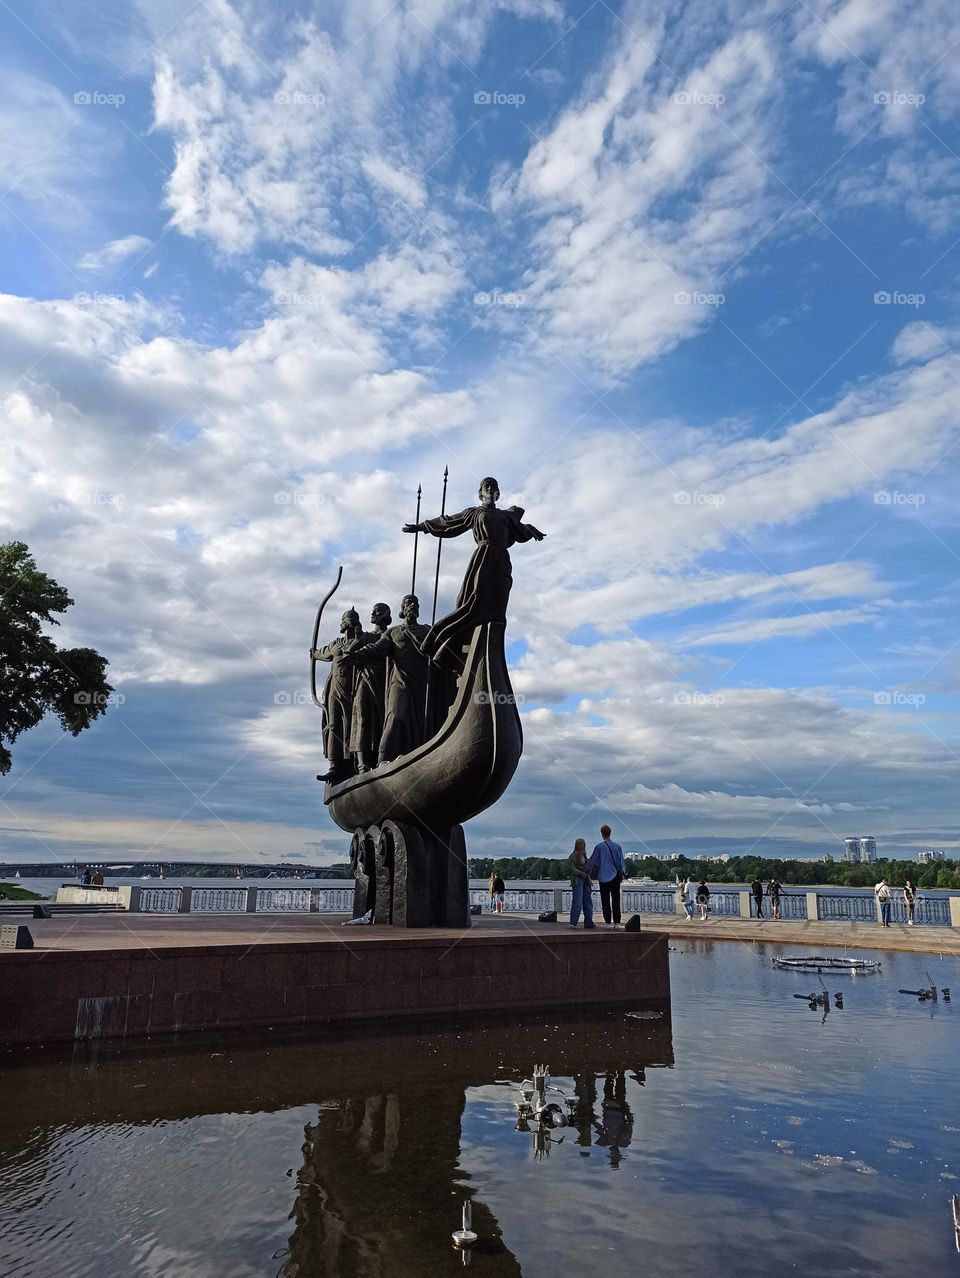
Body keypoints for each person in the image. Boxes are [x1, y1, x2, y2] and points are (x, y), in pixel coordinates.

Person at [403, 477, 545, 670]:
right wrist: (422, 527)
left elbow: (520, 530)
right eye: (486, 486)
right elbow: (448, 522)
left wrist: (531, 529)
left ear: (498, 493)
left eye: (494, 486)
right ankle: (436, 641)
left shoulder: (505, 516)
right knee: (474, 604)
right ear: (480, 493)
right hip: (483, 557)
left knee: (498, 610)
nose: (490, 488)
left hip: (502, 560)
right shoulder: (474, 513)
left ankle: (489, 649)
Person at [588, 824, 627, 928]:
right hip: (615, 876)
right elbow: (621, 863)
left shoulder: (599, 847)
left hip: (603, 877)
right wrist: (622, 873)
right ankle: (617, 923)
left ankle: (608, 923)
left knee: (605, 900)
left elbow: (592, 861)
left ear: (602, 834)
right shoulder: (618, 847)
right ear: (610, 833)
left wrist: (584, 867)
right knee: (616, 900)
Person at [569, 838, 595, 929]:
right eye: (582, 843)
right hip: (577, 880)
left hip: (585, 880)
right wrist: (581, 873)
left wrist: (589, 878)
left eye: (585, 843)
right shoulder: (574, 855)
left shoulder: (584, 855)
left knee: (588, 902)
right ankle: (573, 922)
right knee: (577, 902)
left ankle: (589, 922)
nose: (584, 845)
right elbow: (572, 869)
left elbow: (586, 868)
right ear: (577, 844)